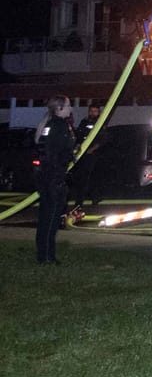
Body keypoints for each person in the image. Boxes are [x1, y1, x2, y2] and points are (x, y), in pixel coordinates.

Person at [33, 96, 77, 264]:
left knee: (45, 215)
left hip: (44, 176)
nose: (70, 108)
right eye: (68, 105)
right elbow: (58, 152)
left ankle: (43, 254)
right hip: (53, 177)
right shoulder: (60, 125)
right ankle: (47, 257)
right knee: (51, 217)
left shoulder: (48, 123)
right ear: (59, 108)